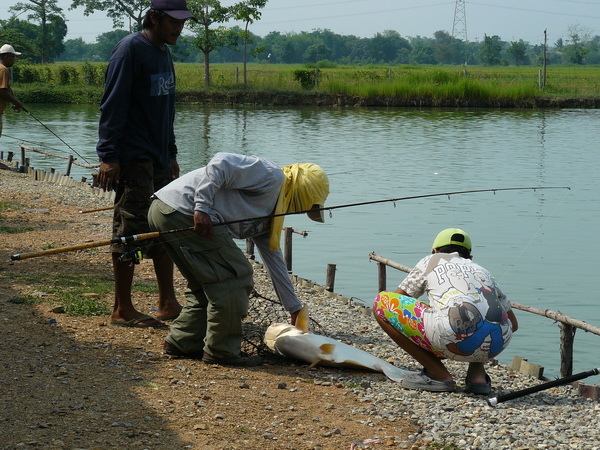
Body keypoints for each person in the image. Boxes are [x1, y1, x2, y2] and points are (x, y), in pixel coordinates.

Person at [147, 152, 330, 367]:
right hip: (182, 210)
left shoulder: (272, 212)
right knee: (236, 277)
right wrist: (202, 207)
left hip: (166, 211)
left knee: (205, 284)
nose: (300, 211)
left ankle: (182, 342)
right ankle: (221, 351)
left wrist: (294, 307)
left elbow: (274, 260)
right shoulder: (272, 177)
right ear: (304, 192)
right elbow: (221, 162)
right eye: (306, 206)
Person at [96, 0, 196, 328]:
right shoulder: (130, 50)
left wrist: (171, 152)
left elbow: (165, 110)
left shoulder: (163, 52)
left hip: (159, 159)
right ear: (154, 17)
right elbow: (113, 105)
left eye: (182, 22)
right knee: (130, 229)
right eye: (173, 21)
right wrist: (109, 157)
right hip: (134, 157)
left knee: (164, 225)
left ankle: (167, 301)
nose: (179, 27)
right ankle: (122, 309)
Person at [373, 228, 518, 394]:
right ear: (470, 257)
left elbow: (395, 301)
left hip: (452, 336)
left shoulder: (432, 260)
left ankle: (438, 374)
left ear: (435, 251)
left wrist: (428, 337)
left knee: (381, 302)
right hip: (496, 344)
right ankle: (477, 376)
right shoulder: (483, 271)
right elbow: (513, 324)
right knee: (484, 318)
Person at [0, 44, 26, 139]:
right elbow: (2, 91)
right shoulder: (3, 70)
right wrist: (17, 103)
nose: (14, 59)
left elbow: (6, 89)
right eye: (13, 56)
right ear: (6, 56)